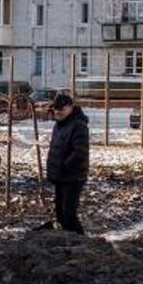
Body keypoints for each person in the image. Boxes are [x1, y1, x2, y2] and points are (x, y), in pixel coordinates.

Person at [46, 94, 90, 234]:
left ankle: (81, 241)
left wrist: (64, 166)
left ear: (70, 108)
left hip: (73, 177)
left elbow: (80, 152)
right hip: (60, 177)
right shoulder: (58, 126)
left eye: (61, 109)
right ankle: (68, 239)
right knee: (60, 213)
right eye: (55, 110)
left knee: (68, 213)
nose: (57, 113)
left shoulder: (78, 126)